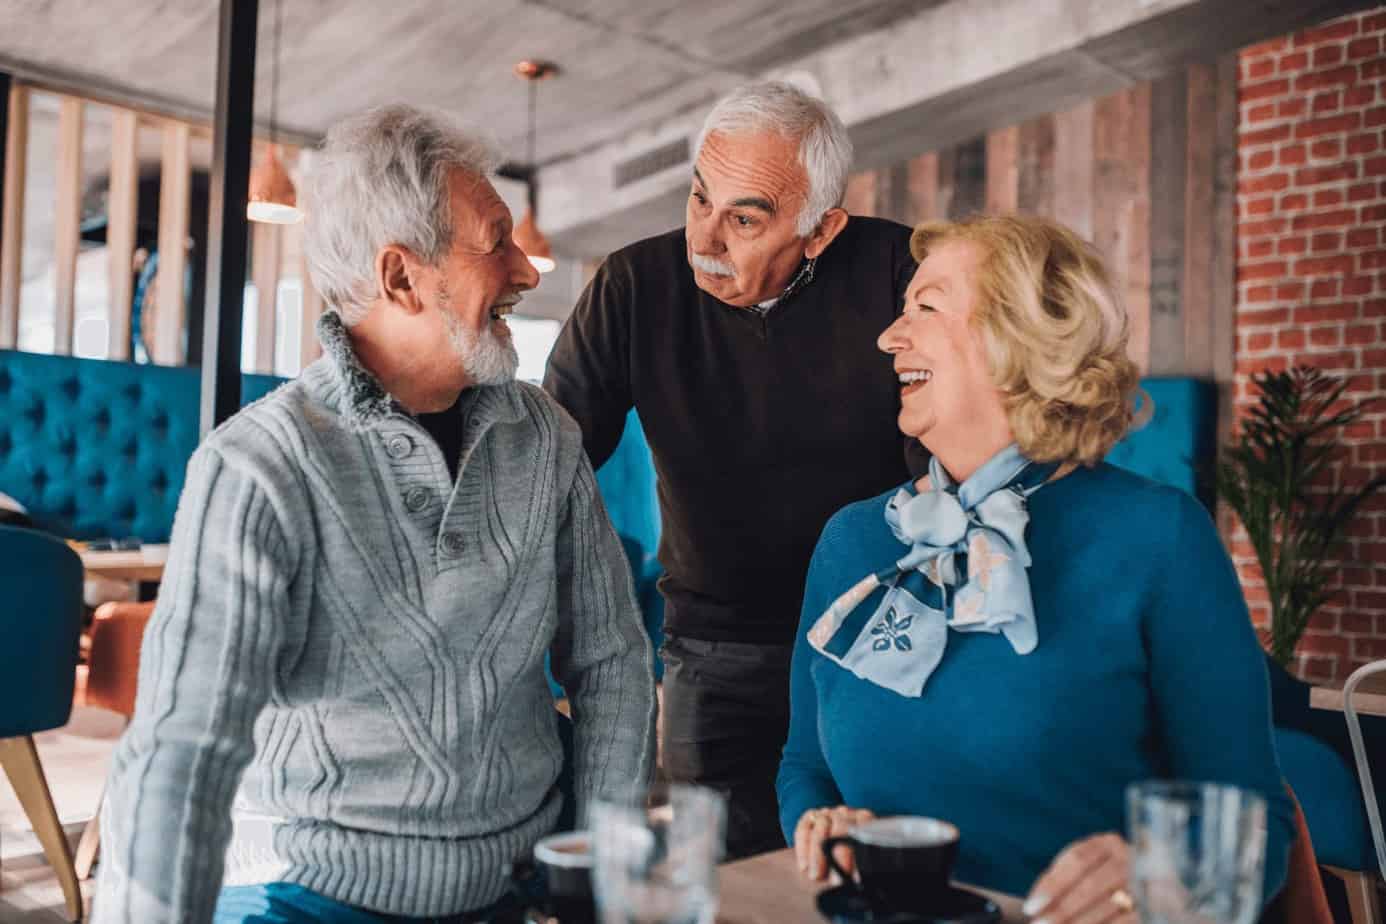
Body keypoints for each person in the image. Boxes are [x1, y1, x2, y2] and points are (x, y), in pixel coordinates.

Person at [93, 104, 656, 924]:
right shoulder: (260, 464)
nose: (528, 273)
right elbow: (184, 748)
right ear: (401, 278)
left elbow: (612, 662)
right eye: (494, 240)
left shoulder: (545, 437)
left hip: (516, 883)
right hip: (304, 890)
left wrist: (605, 874)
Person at [778, 214, 1293, 921]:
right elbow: (805, 766)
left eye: (924, 307)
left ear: (1018, 338)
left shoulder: (1158, 536)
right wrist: (819, 823)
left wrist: (1155, 875)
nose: (889, 337)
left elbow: (1257, 821)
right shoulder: (852, 541)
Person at [544, 81, 917, 859]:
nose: (704, 240)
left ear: (821, 231)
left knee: (865, 864)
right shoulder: (634, 285)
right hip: (712, 652)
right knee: (717, 876)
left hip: (877, 637)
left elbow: (945, 473)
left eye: (744, 217)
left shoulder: (899, 274)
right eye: (698, 199)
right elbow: (548, 467)